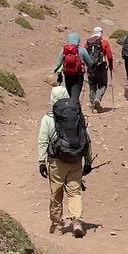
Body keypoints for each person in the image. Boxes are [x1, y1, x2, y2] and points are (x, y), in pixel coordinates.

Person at [38, 82, 96, 237]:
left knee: (56, 193)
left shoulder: (48, 119)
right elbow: (87, 139)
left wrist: (41, 162)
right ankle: (77, 221)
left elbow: (43, 141)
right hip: (76, 160)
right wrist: (88, 161)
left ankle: (57, 226)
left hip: (57, 162)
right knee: (74, 192)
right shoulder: (78, 116)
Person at [55, 32, 93, 106]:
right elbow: (90, 63)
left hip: (67, 76)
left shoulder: (64, 50)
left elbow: (59, 63)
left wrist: (59, 75)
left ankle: (73, 111)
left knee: (71, 95)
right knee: (75, 96)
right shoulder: (82, 50)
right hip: (78, 76)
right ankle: (75, 113)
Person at [84, 26, 114, 112]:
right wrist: (111, 66)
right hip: (101, 67)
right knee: (103, 85)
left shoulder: (88, 42)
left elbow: (84, 54)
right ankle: (97, 98)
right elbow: (109, 56)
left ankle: (93, 104)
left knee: (92, 86)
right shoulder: (104, 42)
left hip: (90, 67)